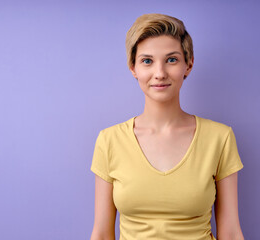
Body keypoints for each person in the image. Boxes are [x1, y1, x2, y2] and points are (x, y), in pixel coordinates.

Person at [90, 13, 244, 240]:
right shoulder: (109, 140)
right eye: (147, 61)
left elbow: (230, 232)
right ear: (133, 68)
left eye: (171, 59)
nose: (159, 73)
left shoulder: (219, 138)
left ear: (188, 65)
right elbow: (102, 234)